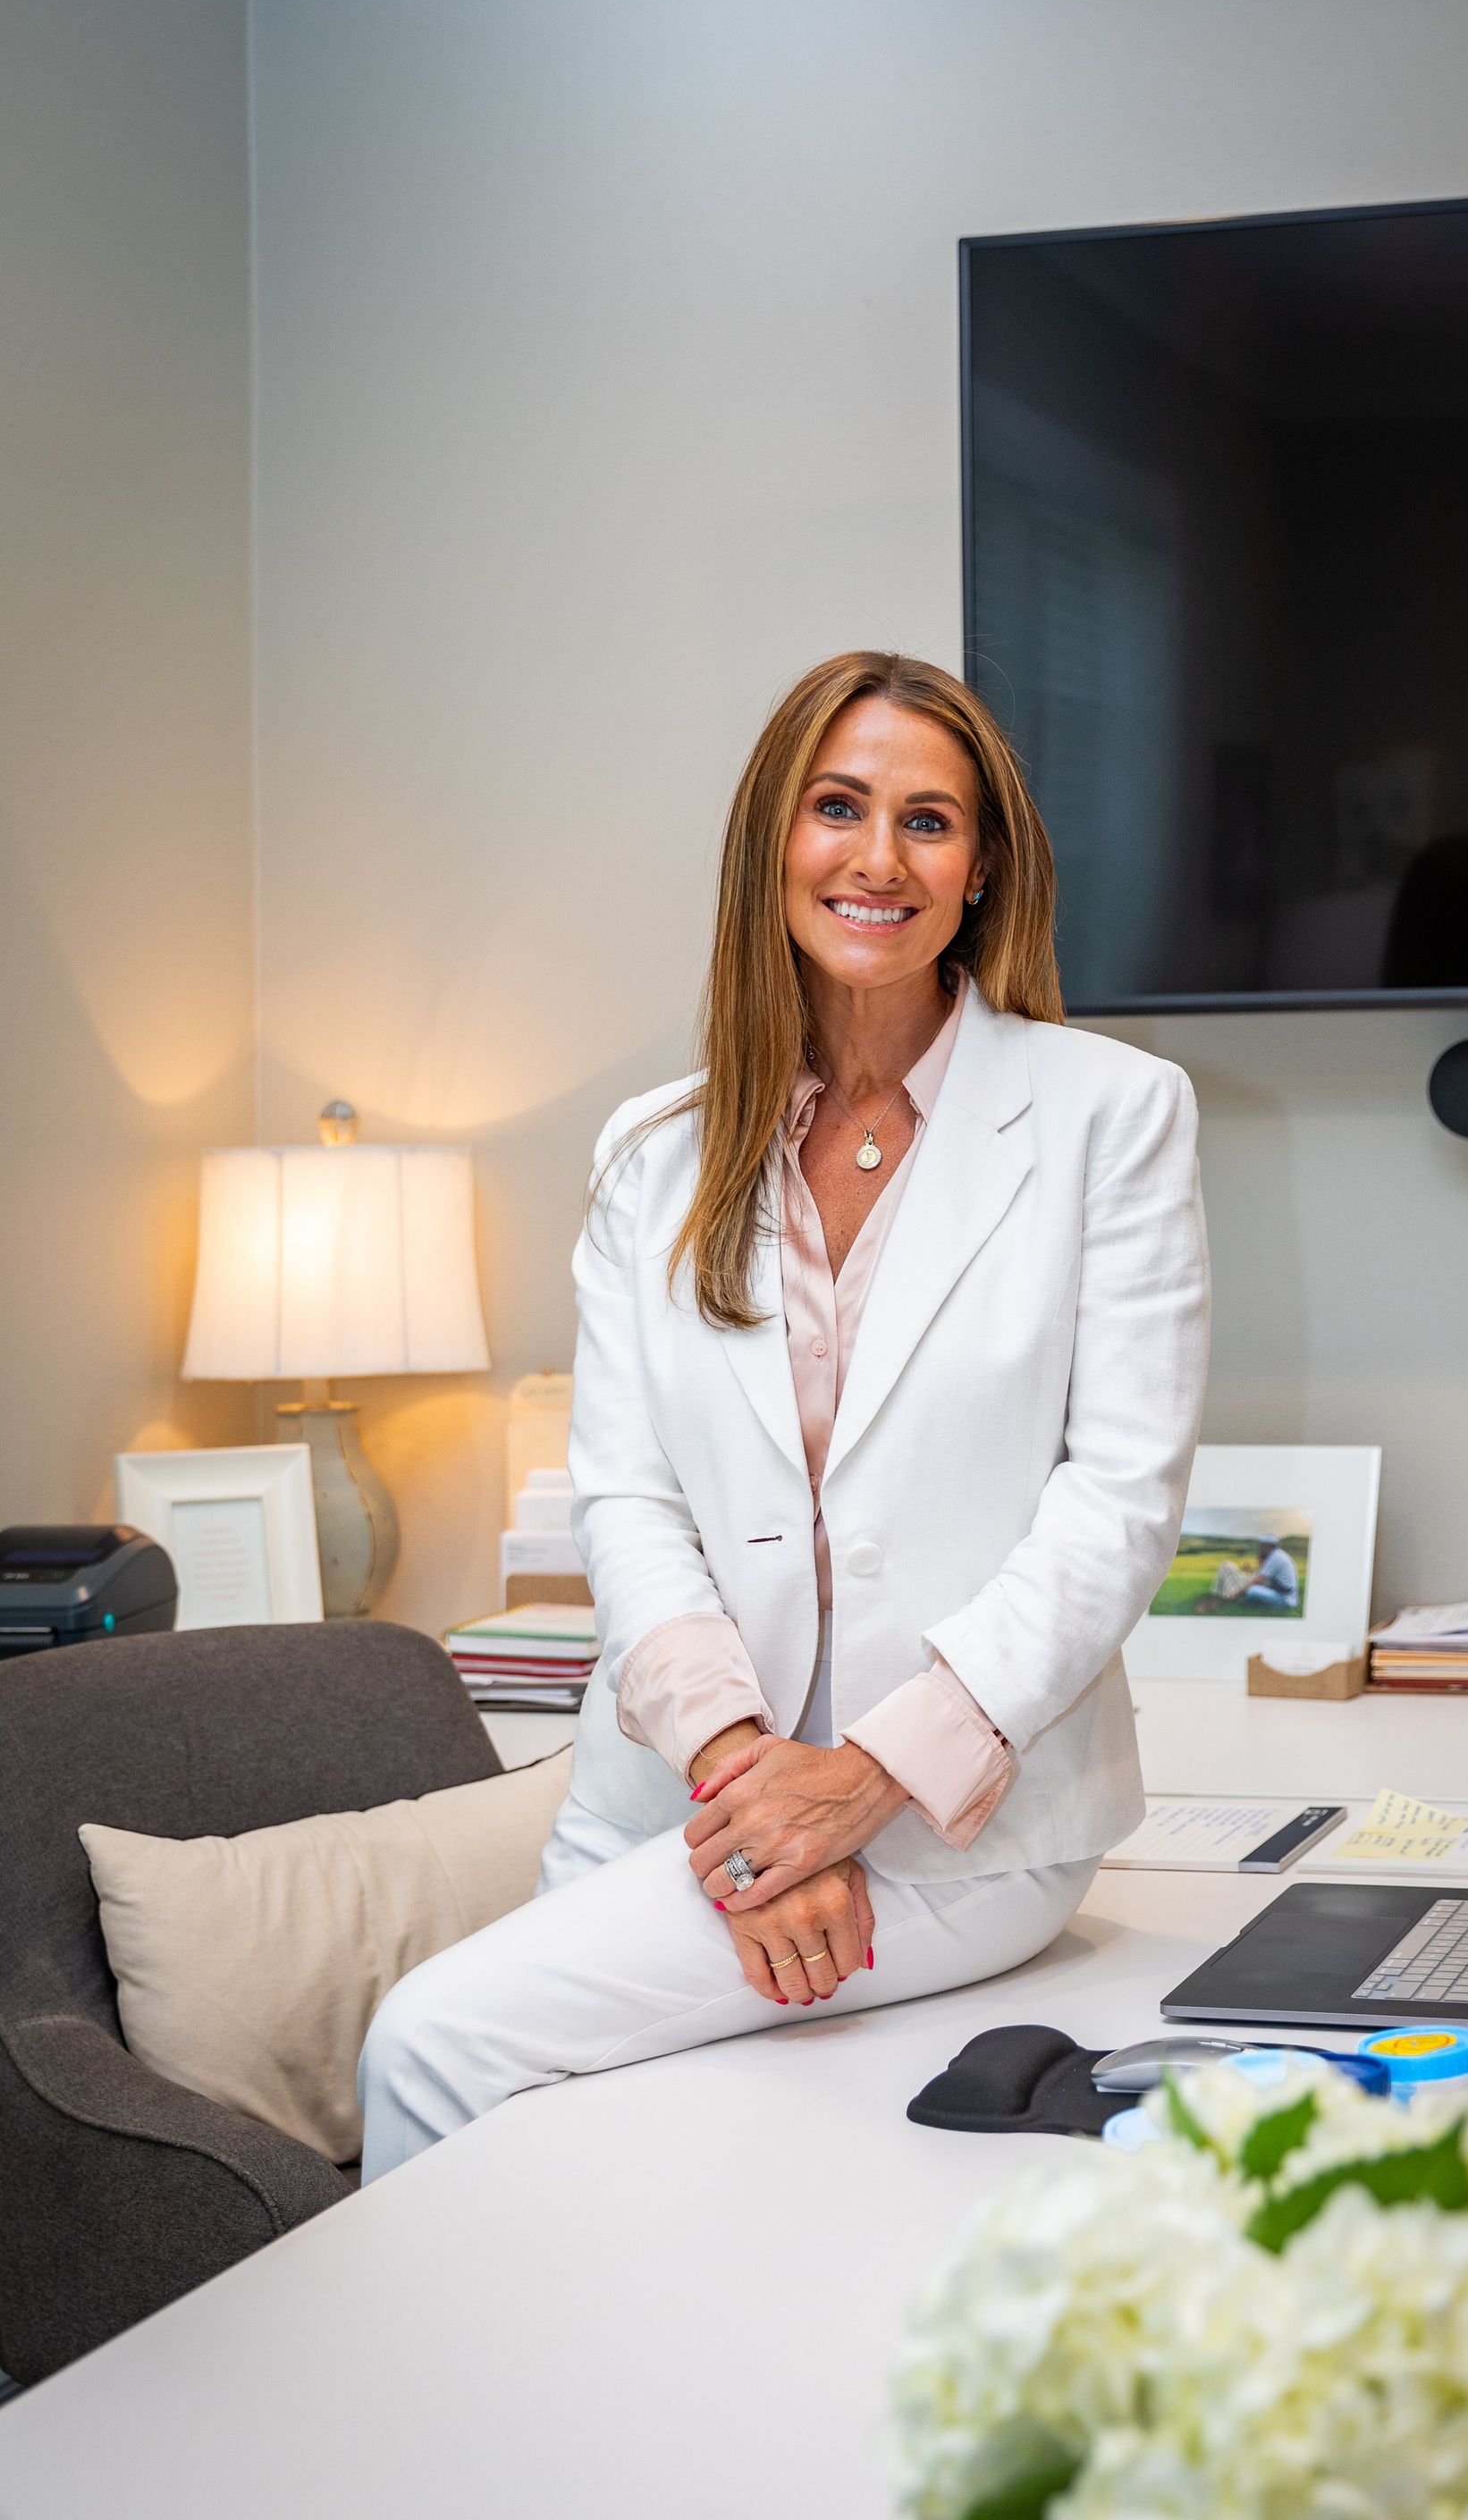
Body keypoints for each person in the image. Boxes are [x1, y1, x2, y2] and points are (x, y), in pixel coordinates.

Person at [358, 651, 1210, 2179]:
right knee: (574, 2154)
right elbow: (624, 1496)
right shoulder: (652, 1150)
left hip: (962, 1825)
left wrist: (859, 1788)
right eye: (839, 808)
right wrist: (755, 1791)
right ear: (775, 843)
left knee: (433, 2039)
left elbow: (1117, 1506)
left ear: (982, 870)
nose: (879, 859)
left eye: (930, 821)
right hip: (673, 1803)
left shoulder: (1110, 1116)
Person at [1236, 1532, 1300, 1614]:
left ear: (1268, 1546)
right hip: (1282, 1593)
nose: (1260, 1548)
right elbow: (1261, 1574)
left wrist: (1237, 1594)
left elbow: (1259, 1579)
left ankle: (1256, 1603)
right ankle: (1254, 1601)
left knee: (1251, 1590)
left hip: (1285, 1600)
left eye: (1262, 1545)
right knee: (1252, 1585)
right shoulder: (1277, 1554)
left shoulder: (1276, 1557)